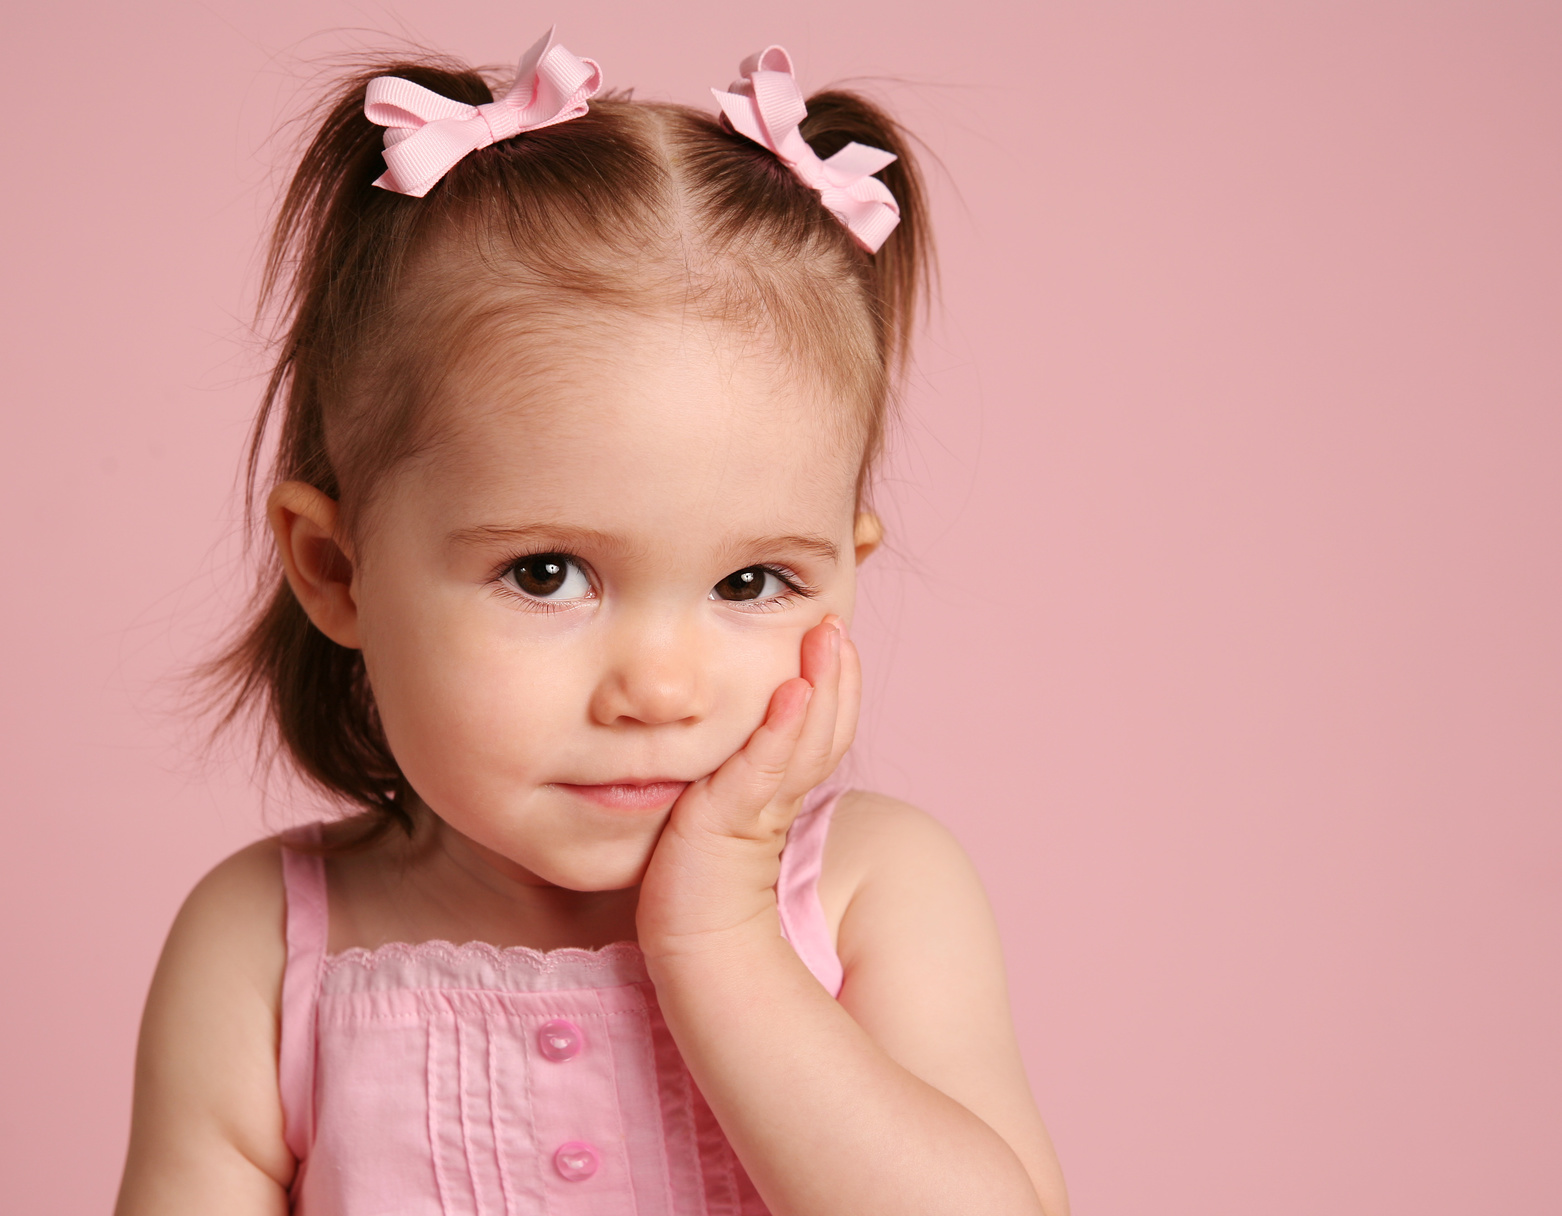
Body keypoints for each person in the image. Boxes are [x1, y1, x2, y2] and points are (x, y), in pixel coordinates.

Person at [114, 28, 1069, 1216]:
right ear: (337, 569)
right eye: (548, 573)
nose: (658, 690)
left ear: (845, 575)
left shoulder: (872, 892)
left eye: (750, 583)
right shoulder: (265, 946)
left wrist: (719, 933)